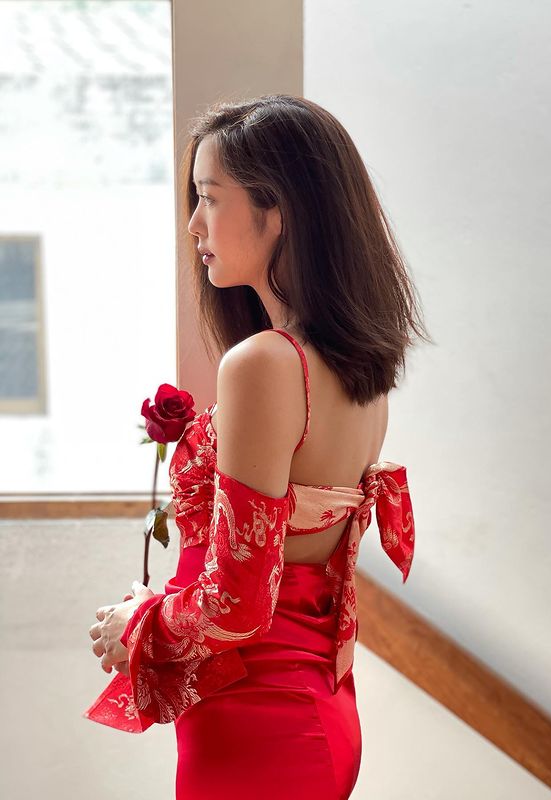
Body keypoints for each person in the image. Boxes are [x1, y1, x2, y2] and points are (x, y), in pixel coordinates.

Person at [85, 94, 432, 799]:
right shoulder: (357, 369)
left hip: (260, 726)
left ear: (278, 212)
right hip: (305, 712)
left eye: (210, 198)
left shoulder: (266, 364)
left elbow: (239, 604)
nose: (194, 223)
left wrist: (138, 624)